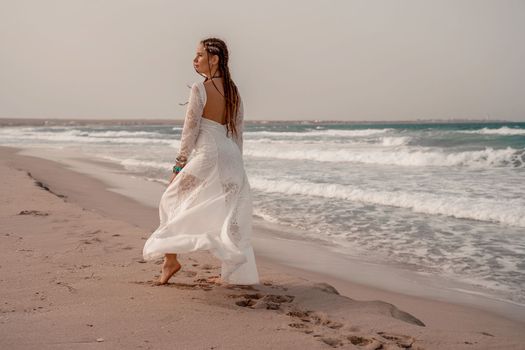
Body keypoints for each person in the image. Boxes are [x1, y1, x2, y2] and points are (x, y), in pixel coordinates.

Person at [142, 37, 260, 286]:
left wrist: (179, 165)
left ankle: (170, 260)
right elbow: (237, 132)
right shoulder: (234, 91)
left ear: (214, 59)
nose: (194, 60)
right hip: (231, 156)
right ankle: (233, 275)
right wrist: (237, 163)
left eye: (199, 55)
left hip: (209, 155)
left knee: (171, 199)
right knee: (231, 214)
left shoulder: (199, 89)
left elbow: (190, 130)